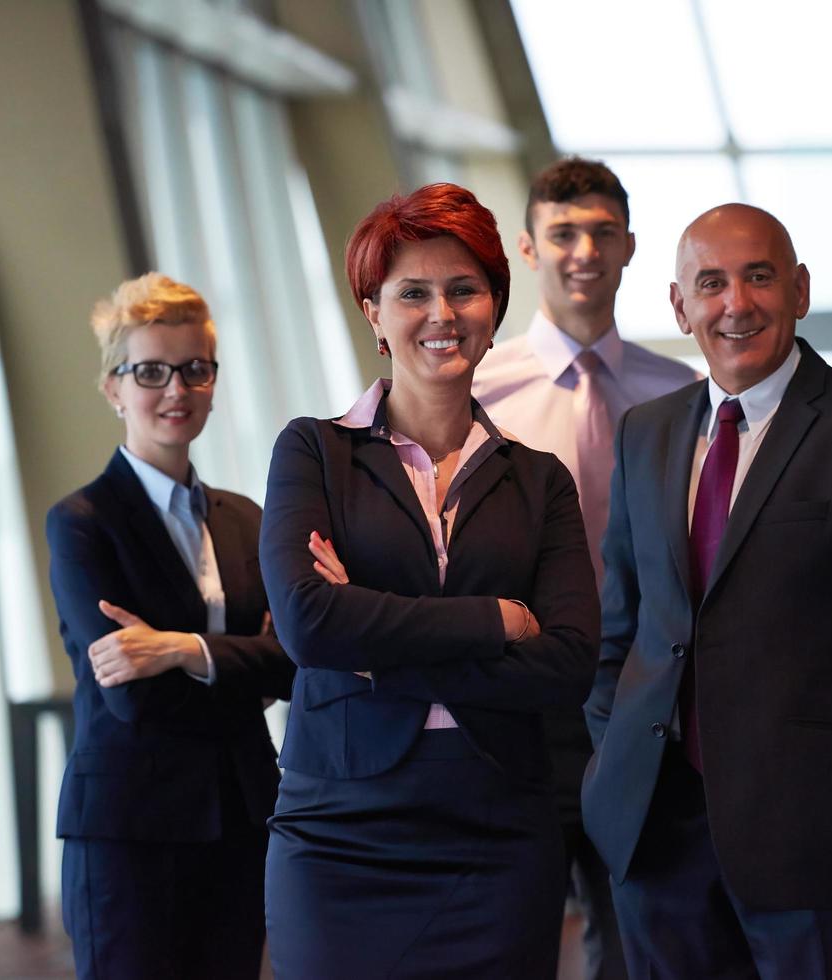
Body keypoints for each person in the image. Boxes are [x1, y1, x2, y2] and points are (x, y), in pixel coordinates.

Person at [581, 204, 832, 979]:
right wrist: (608, 766)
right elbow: (622, 627)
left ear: (800, 290)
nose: (736, 303)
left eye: (758, 277)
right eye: (711, 283)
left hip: (814, 845)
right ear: (678, 305)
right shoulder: (645, 432)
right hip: (657, 838)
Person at [260, 182, 598, 979]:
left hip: (500, 824)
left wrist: (375, 649)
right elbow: (309, 626)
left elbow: (570, 662)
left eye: (463, 290)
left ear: (493, 305)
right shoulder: (313, 452)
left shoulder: (540, 481)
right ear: (373, 313)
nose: (441, 314)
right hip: (337, 831)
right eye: (412, 293)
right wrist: (495, 621)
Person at [471, 156, 697, 979]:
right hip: (518, 693)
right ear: (528, 250)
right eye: (563, 233)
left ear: (630, 246)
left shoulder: (679, 394)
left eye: (602, 232)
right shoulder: (476, 394)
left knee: (634, 930)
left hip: (643, 698)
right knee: (512, 928)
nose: (584, 250)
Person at [46, 273, 295, 980]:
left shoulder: (245, 518)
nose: (176, 390)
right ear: (112, 388)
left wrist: (181, 649)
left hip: (242, 816)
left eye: (194, 369)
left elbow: (293, 664)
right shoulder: (82, 523)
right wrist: (244, 661)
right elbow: (132, 694)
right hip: (131, 830)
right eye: (150, 371)